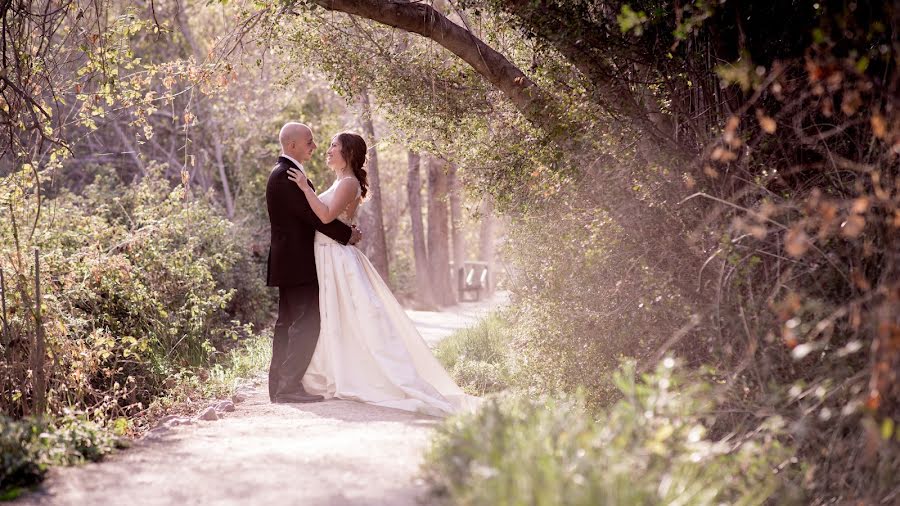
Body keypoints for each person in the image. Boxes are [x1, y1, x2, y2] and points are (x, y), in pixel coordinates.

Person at [287, 132, 477, 416]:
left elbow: (325, 217)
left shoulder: (349, 183)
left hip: (336, 258)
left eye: (333, 146)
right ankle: (336, 371)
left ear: (348, 153)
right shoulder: (342, 181)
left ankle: (373, 377)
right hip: (327, 255)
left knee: (354, 318)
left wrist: (304, 188)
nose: (327, 150)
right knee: (335, 318)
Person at [265, 122, 361, 404]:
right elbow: (314, 217)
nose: (315, 146)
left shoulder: (287, 173)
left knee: (289, 324)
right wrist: (348, 235)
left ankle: (281, 387)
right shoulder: (285, 176)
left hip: (293, 261)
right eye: (309, 141)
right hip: (296, 263)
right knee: (306, 323)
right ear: (292, 145)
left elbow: (314, 215)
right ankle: (287, 387)